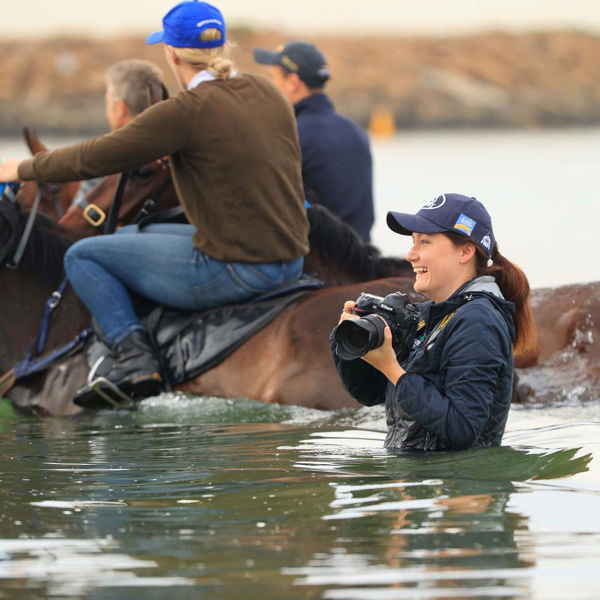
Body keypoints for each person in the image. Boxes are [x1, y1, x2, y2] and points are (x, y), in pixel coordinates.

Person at [0, 0, 309, 404]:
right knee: (139, 230)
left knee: (84, 255)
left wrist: (21, 169)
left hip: (240, 270)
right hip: (293, 260)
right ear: (223, 45)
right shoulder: (267, 91)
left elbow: (97, 155)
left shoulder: (185, 111)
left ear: (172, 53)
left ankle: (133, 356)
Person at [330, 193, 537, 451]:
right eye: (412, 242)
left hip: (454, 483)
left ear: (465, 251)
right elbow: (369, 393)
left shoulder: (478, 320)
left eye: (424, 242)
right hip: (421, 479)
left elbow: (462, 428)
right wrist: (350, 339)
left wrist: (393, 369)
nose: (410, 255)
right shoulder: (432, 315)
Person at [254, 41, 374, 242]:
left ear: (293, 83)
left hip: (320, 262)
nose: (270, 87)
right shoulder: (354, 130)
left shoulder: (290, 135)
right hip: (362, 256)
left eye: (273, 78)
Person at [67, 58, 167, 228]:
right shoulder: (172, 148)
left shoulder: (107, 156)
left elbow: (74, 226)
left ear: (120, 108)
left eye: (108, 101)